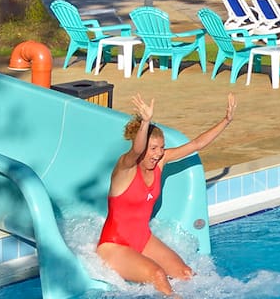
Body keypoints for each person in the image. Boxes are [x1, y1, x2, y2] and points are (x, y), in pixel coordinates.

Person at [97, 93, 235, 295]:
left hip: (142, 239)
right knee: (158, 275)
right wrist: (145, 122)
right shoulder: (125, 168)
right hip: (113, 246)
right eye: (153, 148)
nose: (158, 154)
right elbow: (136, 151)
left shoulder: (160, 162)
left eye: (161, 148)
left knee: (186, 273)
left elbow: (196, 144)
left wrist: (226, 121)